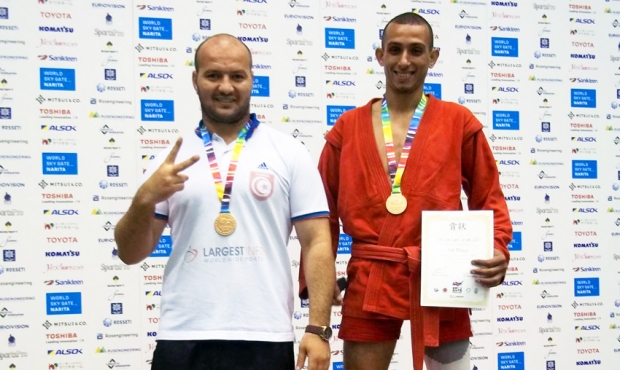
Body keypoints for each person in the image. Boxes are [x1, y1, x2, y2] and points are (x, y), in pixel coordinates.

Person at [298, 13, 512, 370]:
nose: (404, 61)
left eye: (416, 50)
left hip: (445, 271)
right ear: (380, 55)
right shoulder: (347, 128)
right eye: (394, 49)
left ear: (433, 56)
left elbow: (489, 197)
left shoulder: (459, 122)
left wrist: (498, 246)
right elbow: (321, 214)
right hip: (371, 274)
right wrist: (315, 281)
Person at [115, 34, 336, 370]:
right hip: (183, 336)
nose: (226, 87)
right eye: (213, 75)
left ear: (252, 80)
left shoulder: (288, 152)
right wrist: (144, 198)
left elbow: (317, 241)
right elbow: (131, 254)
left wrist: (318, 328)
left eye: (237, 76)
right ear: (195, 80)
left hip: (265, 335)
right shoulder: (169, 161)